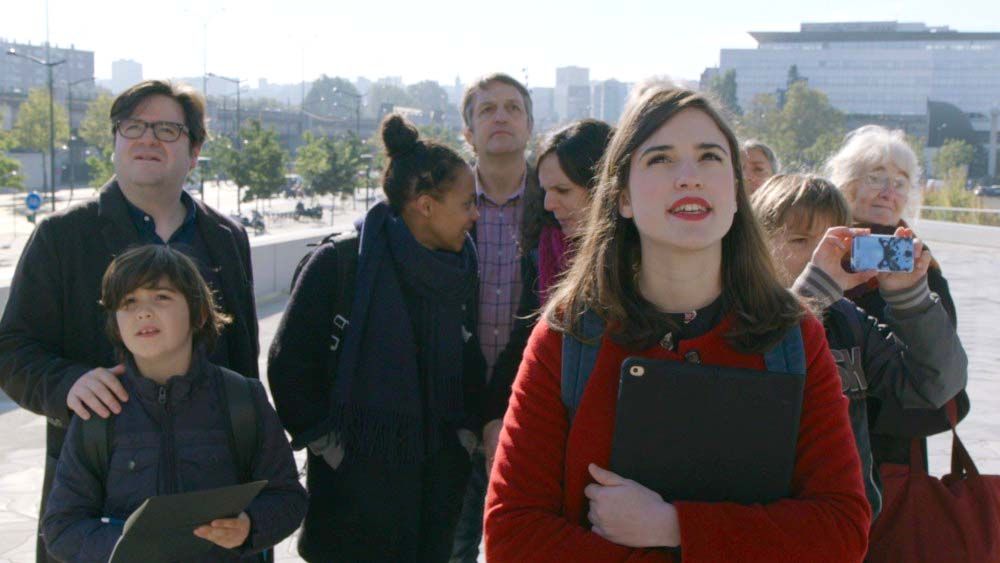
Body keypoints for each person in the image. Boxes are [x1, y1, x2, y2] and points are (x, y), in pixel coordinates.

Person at [484, 86, 871, 562]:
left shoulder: (793, 336)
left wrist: (675, 526)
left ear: (735, 193)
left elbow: (842, 530)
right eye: (661, 159)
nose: (689, 177)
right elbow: (511, 534)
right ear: (622, 197)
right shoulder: (568, 335)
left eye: (709, 157)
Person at [0, 79, 259, 563]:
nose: (147, 139)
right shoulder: (61, 238)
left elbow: (243, 361)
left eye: (166, 130)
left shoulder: (225, 237)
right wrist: (69, 384)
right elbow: (13, 349)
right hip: (98, 498)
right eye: (133, 126)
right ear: (115, 141)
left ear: (194, 150)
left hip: (211, 494)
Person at [268, 114, 483, 562]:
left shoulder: (458, 270)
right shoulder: (342, 263)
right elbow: (289, 365)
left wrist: (461, 440)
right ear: (425, 205)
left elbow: (470, 362)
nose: (475, 215)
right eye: (466, 203)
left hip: (434, 498)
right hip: (353, 500)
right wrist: (334, 451)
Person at [41, 245, 306, 562]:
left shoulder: (242, 398)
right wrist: (125, 548)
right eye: (129, 302)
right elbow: (61, 526)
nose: (143, 311)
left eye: (161, 297)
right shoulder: (100, 410)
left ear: (199, 312)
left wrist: (249, 526)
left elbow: (287, 497)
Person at [751, 173, 968, 518]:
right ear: (756, 245)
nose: (815, 256)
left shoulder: (846, 320)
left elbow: (935, 387)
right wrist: (814, 292)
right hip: (765, 522)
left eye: (829, 243)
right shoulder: (738, 312)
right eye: (798, 240)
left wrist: (911, 300)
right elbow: (757, 364)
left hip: (847, 528)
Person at [824, 124, 968, 469]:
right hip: (821, 433)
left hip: (892, 449)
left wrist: (910, 295)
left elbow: (941, 363)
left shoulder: (920, 262)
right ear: (846, 182)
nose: (889, 191)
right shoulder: (822, 248)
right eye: (876, 177)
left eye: (900, 182)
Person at [452, 72, 546, 563]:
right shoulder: (443, 203)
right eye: (487, 110)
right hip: (451, 418)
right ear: (468, 132)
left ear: (530, 125)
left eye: (513, 107)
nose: (501, 116)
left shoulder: (556, 202)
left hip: (535, 413)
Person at [535, 119, 613, 300]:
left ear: (602, 186)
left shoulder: (647, 261)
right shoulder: (542, 247)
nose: (548, 204)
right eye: (545, 190)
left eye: (562, 190)